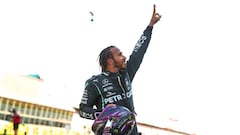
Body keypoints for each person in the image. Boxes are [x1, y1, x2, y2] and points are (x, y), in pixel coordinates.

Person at [79, 4, 161, 135]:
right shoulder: (95, 83)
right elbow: (83, 110)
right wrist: (106, 114)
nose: (124, 57)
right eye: (120, 55)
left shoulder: (126, 74)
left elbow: (138, 52)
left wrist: (150, 26)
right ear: (110, 61)